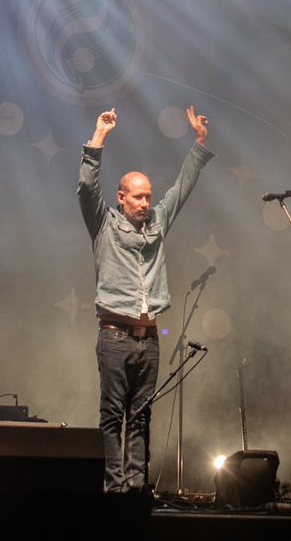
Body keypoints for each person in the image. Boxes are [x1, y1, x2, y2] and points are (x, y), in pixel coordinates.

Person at [78, 105, 214, 492]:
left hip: (148, 338)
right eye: (137, 197)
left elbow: (181, 190)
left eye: (147, 197)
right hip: (115, 336)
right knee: (112, 416)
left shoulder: (157, 221)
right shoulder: (104, 223)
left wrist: (199, 143)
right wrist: (99, 138)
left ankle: (136, 488)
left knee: (140, 416)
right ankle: (115, 488)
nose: (144, 202)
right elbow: (87, 188)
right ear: (121, 197)